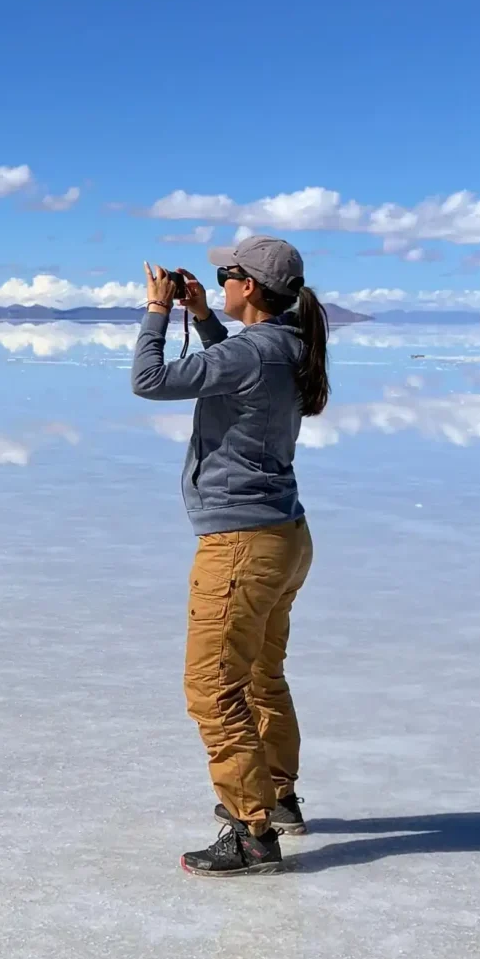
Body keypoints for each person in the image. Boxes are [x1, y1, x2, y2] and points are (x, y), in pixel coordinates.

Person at [130, 235, 330, 876]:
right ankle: (278, 799)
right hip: (284, 538)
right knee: (262, 676)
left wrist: (159, 311)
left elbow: (148, 380)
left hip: (240, 545)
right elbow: (239, 370)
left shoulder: (256, 351)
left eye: (227, 274)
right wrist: (208, 319)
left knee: (214, 688)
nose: (220, 282)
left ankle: (251, 833)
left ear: (251, 286)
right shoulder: (289, 346)